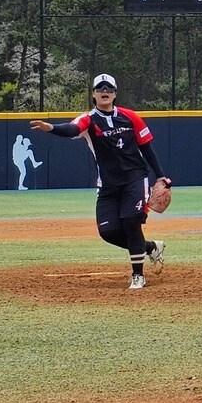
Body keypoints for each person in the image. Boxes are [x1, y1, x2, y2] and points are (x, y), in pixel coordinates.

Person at [30, 73, 171, 291]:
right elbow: (72, 129)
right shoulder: (88, 120)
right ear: (94, 94)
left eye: (109, 88)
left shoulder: (130, 117)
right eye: (100, 88)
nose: (105, 91)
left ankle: (137, 276)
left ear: (115, 93)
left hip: (135, 178)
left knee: (130, 222)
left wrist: (161, 175)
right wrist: (52, 128)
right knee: (108, 231)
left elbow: (146, 148)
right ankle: (151, 247)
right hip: (107, 184)